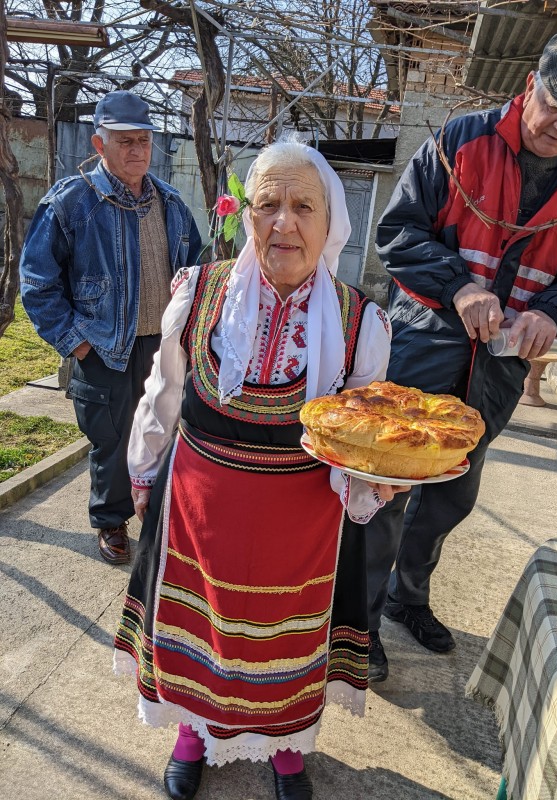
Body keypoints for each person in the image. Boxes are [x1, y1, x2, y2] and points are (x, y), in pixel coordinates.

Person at [112, 139, 407, 800]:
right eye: (267, 203)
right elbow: (162, 392)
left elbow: (364, 442)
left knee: (282, 649)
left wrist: (377, 483)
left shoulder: (362, 325)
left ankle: (286, 750)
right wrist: (143, 471)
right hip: (199, 513)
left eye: (303, 206)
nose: (283, 222)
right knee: (202, 632)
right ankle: (192, 734)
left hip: (300, 534)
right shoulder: (198, 292)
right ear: (246, 215)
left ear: (330, 224)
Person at [366, 27, 557, 682]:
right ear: (530, 86)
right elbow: (398, 231)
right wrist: (460, 286)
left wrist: (550, 315)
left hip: (498, 363)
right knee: (386, 487)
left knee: (452, 494)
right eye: (555, 105)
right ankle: (355, 625)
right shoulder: (459, 141)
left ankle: (405, 597)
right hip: (424, 336)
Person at [20, 90, 202, 566]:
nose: (137, 151)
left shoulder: (172, 203)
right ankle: (111, 520)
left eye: (143, 140)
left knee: (166, 431)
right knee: (114, 440)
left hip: (164, 345)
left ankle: (157, 514)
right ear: (100, 145)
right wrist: (76, 344)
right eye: (125, 141)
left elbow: (195, 269)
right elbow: (37, 284)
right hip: (104, 348)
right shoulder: (71, 203)